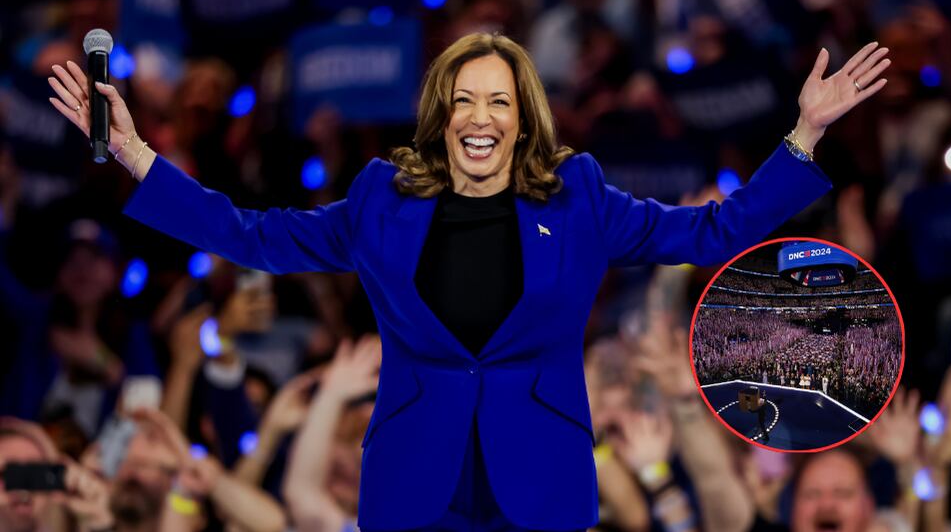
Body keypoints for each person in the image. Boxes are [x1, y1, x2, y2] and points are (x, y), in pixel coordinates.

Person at [47, 31, 890, 531]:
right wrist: (137, 157)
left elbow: (714, 230)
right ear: (440, 113)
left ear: (523, 116)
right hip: (414, 484)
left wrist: (804, 136)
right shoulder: (380, 200)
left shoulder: (582, 197)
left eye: (498, 102)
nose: (479, 118)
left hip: (544, 486)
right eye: (463, 100)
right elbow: (253, 237)